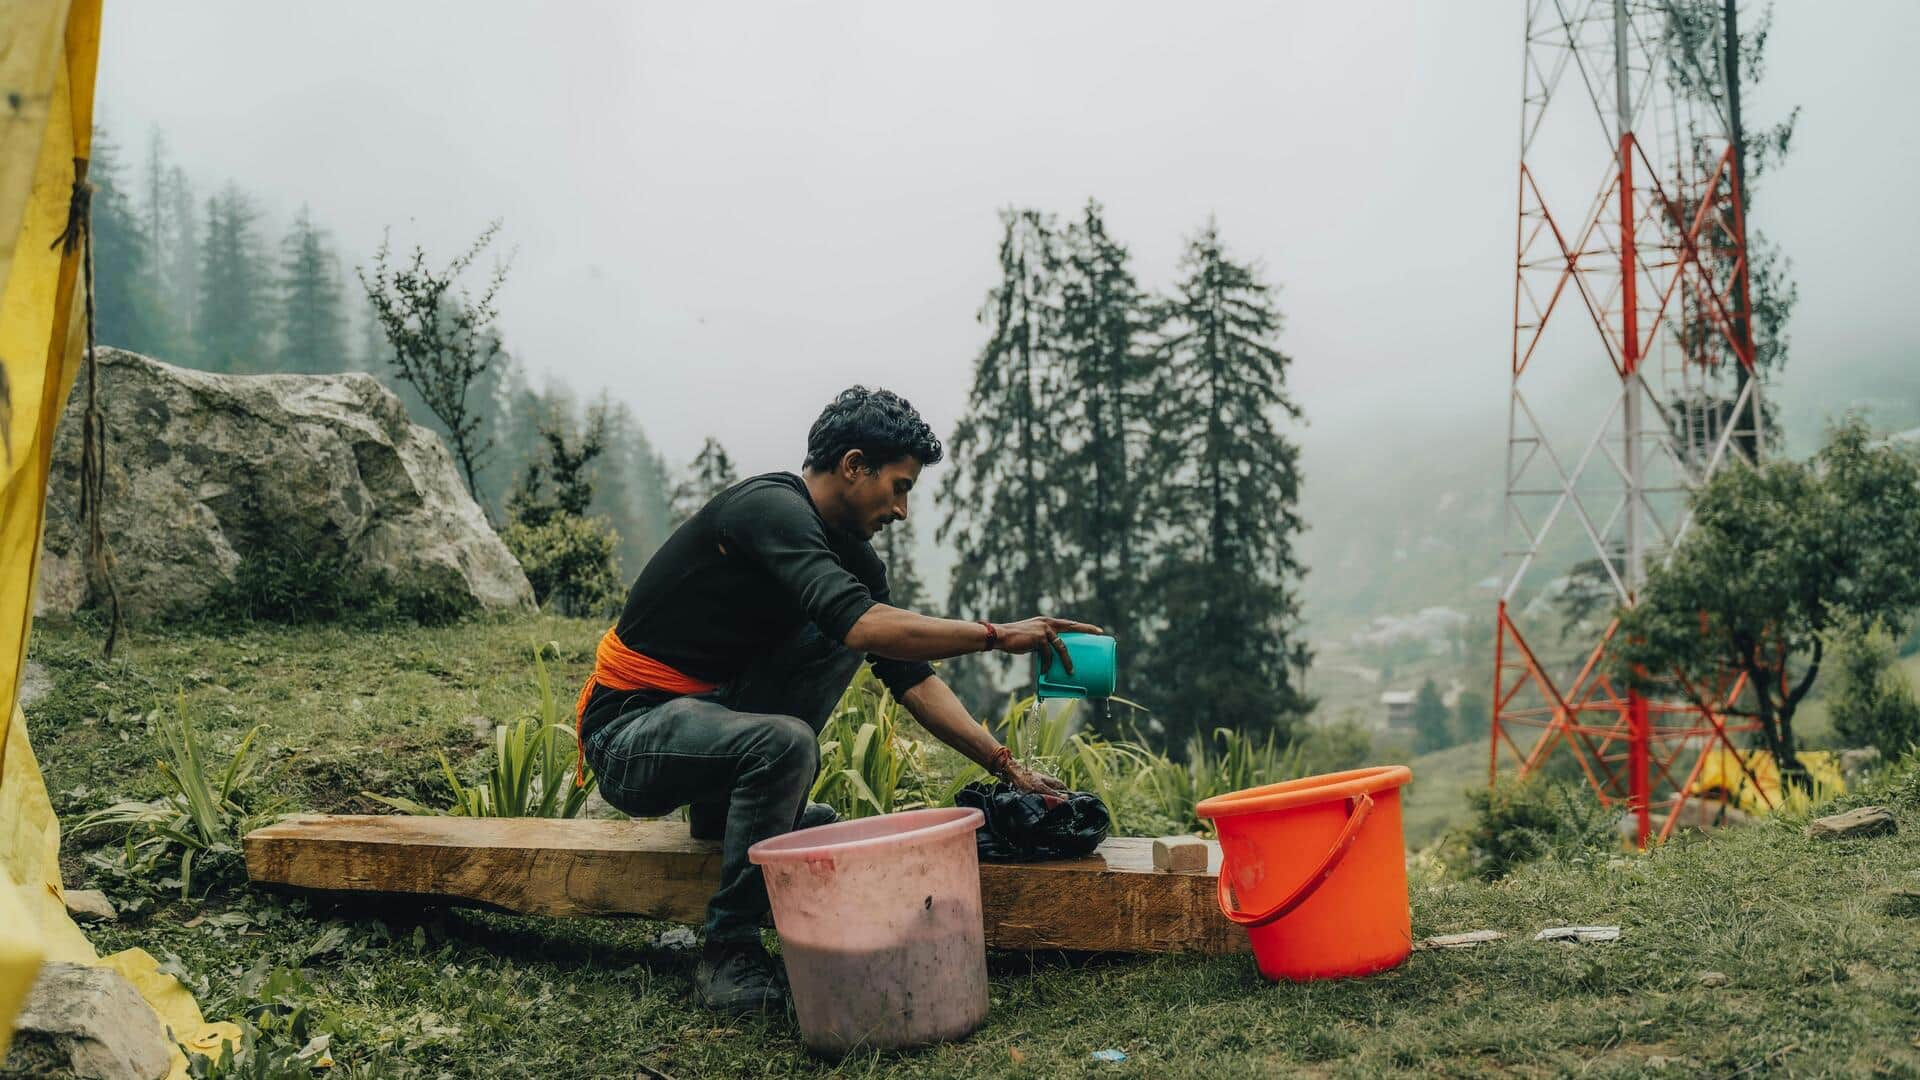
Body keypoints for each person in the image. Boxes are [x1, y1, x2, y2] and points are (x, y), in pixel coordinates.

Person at [576, 385, 1103, 1013]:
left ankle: (726, 815)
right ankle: (728, 953)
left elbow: (910, 677)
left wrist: (1004, 764)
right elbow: (860, 624)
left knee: (848, 633)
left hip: (707, 720)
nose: (903, 510)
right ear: (854, 466)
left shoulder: (852, 562)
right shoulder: (770, 510)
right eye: (899, 487)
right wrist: (996, 635)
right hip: (629, 737)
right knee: (793, 727)